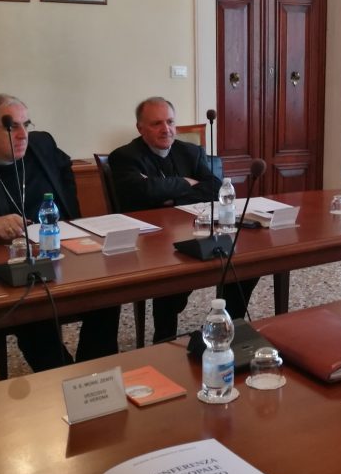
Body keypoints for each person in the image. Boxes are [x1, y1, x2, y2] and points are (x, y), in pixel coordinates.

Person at [0, 94, 120, 370]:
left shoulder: (42, 145)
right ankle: (61, 376)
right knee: (32, 311)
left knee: (108, 293)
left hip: (63, 252)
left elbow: (65, 168)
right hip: (14, 269)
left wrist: (69, 213)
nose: (23, 134)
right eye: (12, 126)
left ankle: (93, 372)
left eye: (26, 124)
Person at [108, 97, 257, 339]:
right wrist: (187, 183)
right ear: (140, 128)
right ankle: (164, 338)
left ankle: (227, 324)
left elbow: (214, 189)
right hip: (150, 241)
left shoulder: (190, 152)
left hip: (192, 231)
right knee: (172, 275)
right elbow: (142, 193)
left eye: (170, 122)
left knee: (244, 263)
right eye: (156, 123)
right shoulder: (124, 156)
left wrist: (167, 194)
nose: (165, 129)